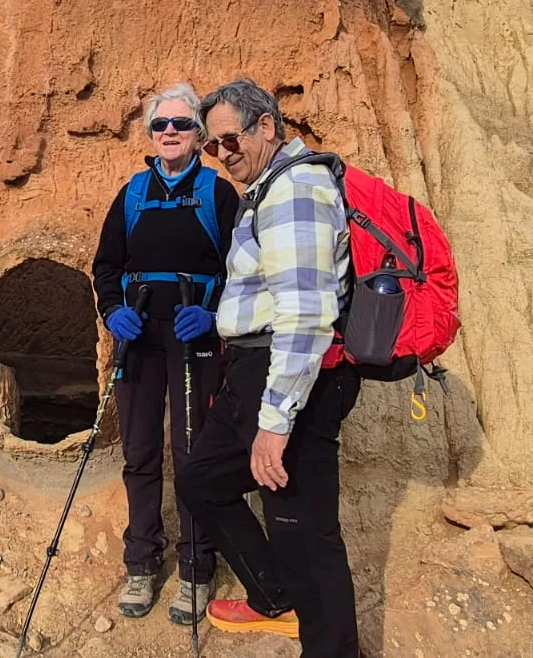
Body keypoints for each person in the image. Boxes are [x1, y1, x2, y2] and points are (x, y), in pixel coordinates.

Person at [177, 79, 362, 656]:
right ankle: (275, 595)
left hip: (287, 375)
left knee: (304, 533)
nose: (222, 153)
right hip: (250, 371)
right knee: (202, 480)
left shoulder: (295, 191)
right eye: (213, 146)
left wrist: (276, 422)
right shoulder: (268, 189)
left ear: (266, 126)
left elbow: (305, 315)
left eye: (230, 139)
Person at [91, 83, 240, 624]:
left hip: (193, 333)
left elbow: (244, 270)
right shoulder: (132, 193)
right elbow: (106, 265)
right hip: (139, 334)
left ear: (199, 134)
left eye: (181, 123)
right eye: (160, 124)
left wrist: (213, 314)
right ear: (150, 135)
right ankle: (141, 562)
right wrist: (113, 312)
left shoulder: (218, 194)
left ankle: (197, 566)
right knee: (140, 450)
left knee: (192, 451)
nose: (170, 132)